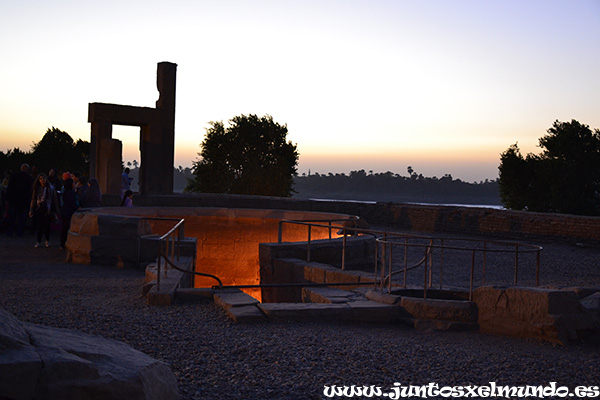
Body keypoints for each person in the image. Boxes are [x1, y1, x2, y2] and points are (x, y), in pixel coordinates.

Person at [29, 173, 59, 247]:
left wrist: (57, 208)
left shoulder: (50, 188)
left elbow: (54, 199)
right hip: (39, 207)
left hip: (47, 207)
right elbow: (33, 199)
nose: (42, 180)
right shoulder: (37, 188)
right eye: (41, 179)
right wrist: (31, 209)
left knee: (47, 225)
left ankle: (47, 240)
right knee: (39, 225)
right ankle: (39, 241)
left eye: (43, 178)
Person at [5, 163, 34, 237]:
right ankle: (19, 232)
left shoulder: (14, 176)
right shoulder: (30, 178)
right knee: (22, 219)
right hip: (24, 201)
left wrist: (8, 199)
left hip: (14, 200)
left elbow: (9, 189)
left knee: (12, 218)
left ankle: (9, 232)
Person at [59, 178, 78, 249]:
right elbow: (72, 203)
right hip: (69, 212)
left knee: (64, 228)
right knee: (67, 228)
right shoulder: (71, 193)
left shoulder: (65, 192)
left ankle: (62, 243)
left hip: (65, 211)